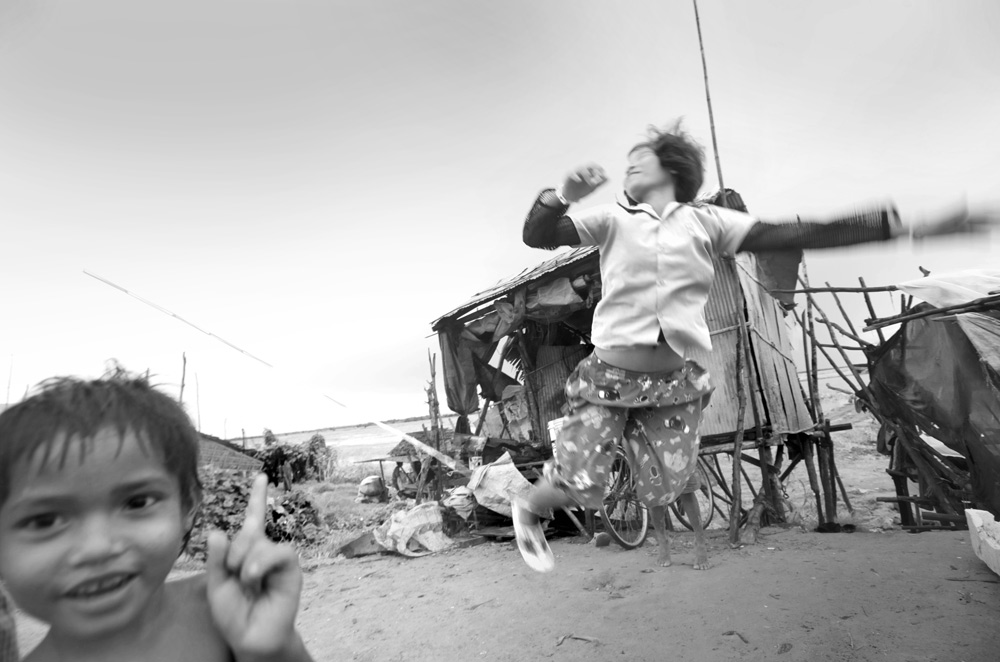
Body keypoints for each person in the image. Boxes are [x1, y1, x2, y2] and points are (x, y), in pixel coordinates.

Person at [513, 121, 998, 573]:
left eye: (641, 158)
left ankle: (686, 548)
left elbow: (805, 232)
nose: (630, 167)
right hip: (610, 376)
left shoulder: (707, 222)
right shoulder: (613, 219)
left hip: (672, 385)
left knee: (674, 481)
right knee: (579, 480)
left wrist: (910, 226)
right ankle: (528, 508)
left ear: (671, 169)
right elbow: (539, 236)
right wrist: (562, 196)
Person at [0, 368, 315, 661]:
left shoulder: (228, 609)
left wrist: (275, 651)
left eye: (137, 503)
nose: (96, 548)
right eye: (44, 521)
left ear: (188, 506)